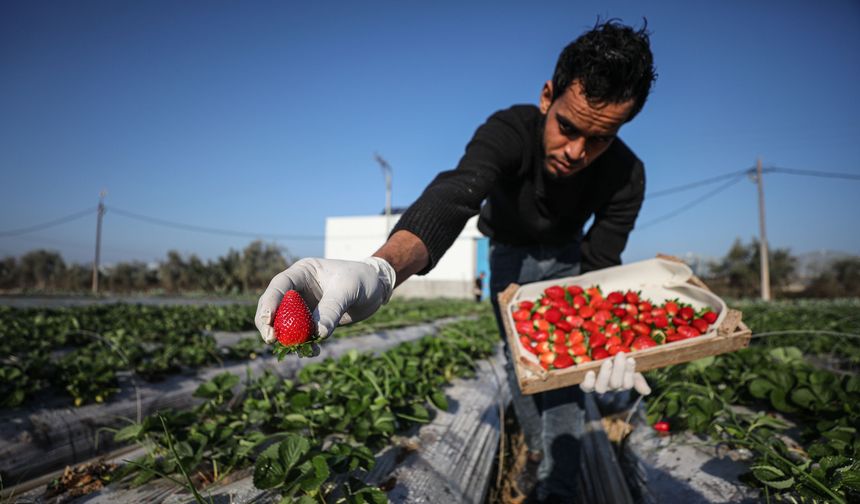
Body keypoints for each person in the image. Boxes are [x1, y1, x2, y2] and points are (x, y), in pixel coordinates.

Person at [256, 19, 655, 503]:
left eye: (600, 138)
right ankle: (534, 450)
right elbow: (457, 194)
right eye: (568, 127)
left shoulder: (627, 175)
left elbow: (602, 258)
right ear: (548, 96)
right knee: (519, 359)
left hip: (570, 259)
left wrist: (597, 328)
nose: (576, 151)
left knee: (566, 368)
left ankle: (559, 486)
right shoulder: (509, 129)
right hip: (508, 253)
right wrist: (383, 268)